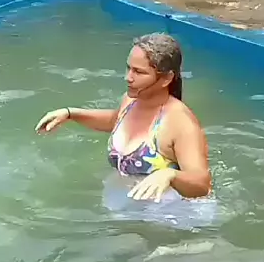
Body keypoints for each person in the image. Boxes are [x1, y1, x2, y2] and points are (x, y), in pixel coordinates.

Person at [35, 32, 212, 203]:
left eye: (139, 72)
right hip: (129, 206)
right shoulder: (130, 100)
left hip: (170, 216)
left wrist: (170, 175)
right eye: (128, 68)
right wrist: (71, 114)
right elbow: (115, 121)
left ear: (166, 78)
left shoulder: (180, 122)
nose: (128, 77)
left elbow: (202, 185)